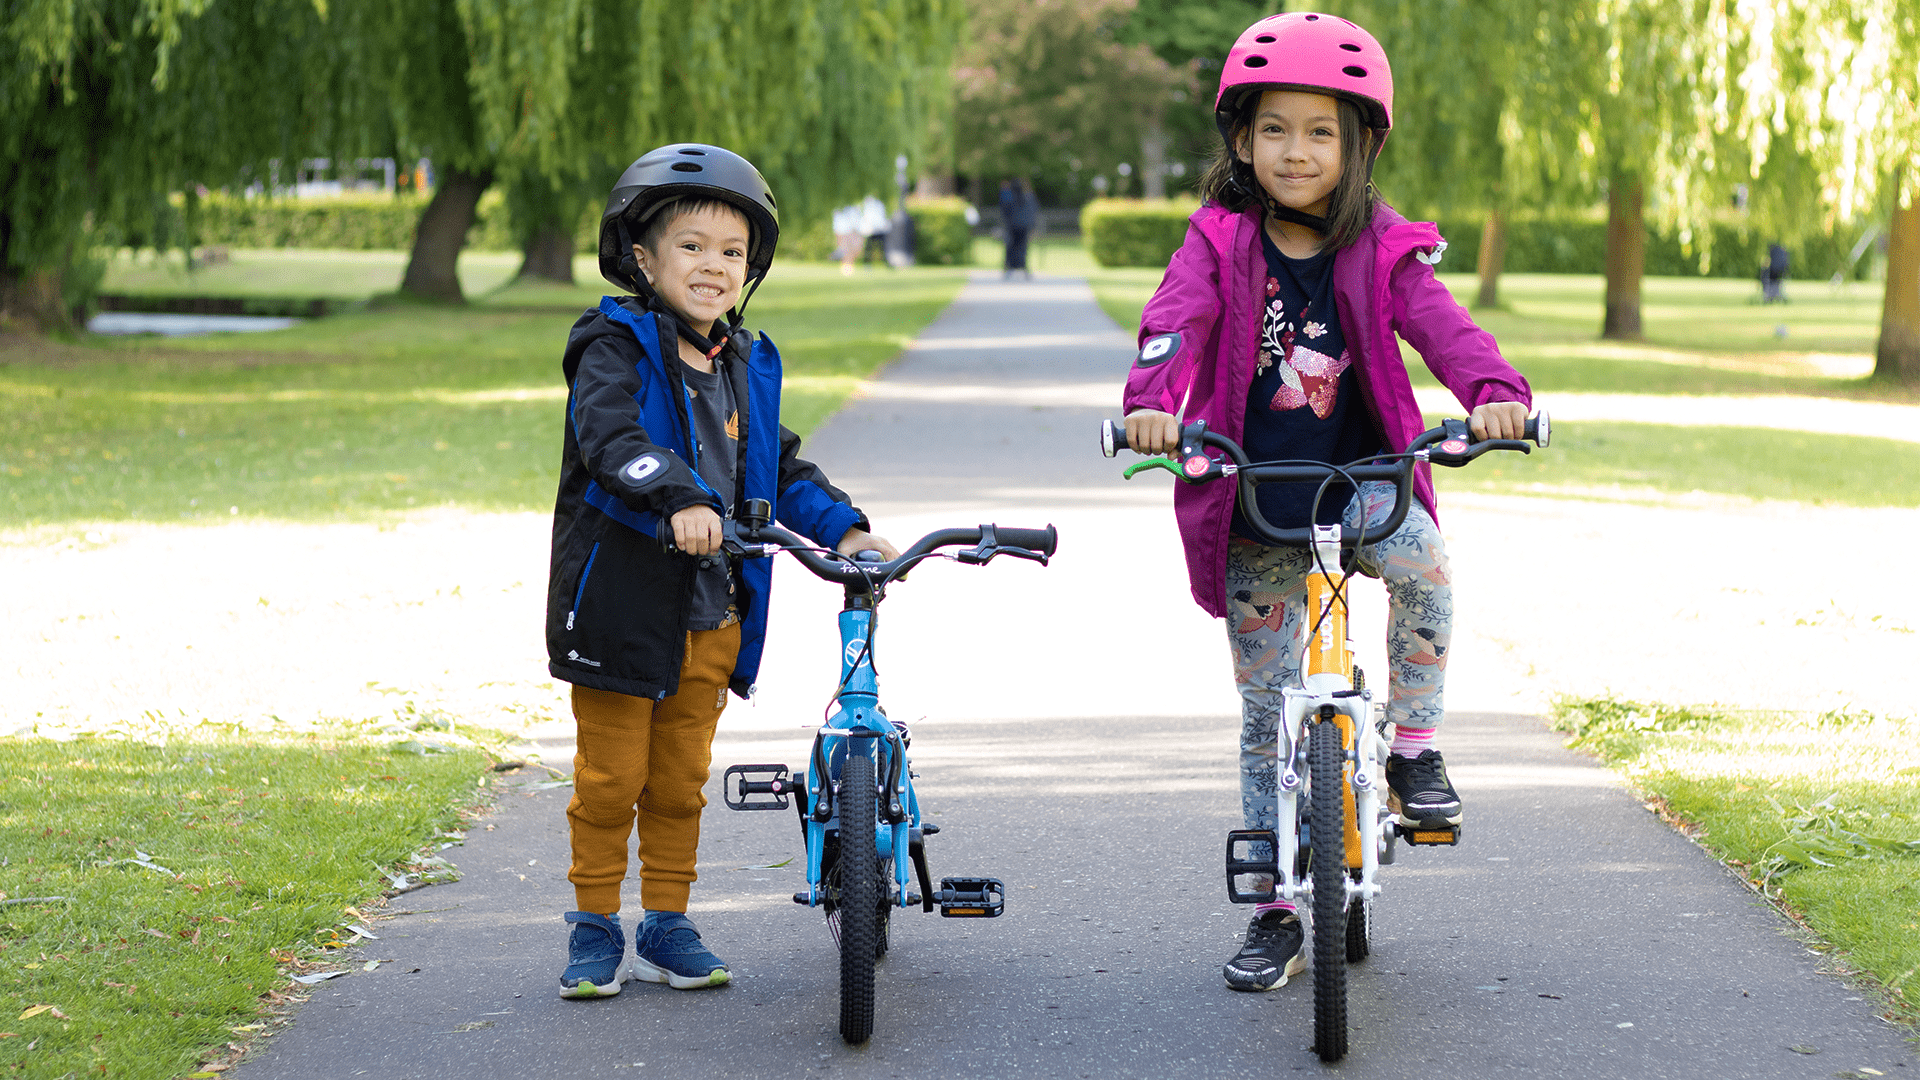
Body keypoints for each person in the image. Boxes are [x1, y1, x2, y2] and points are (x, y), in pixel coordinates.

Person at [1117, 13, 1532, 994]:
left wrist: (1496, 394)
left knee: (1426, 573)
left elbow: (1447, 327)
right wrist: (1149, 409)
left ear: (1359, 144)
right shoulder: (1219, 238)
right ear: (1240, 141)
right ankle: (1272, 907)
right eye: (1272, 129)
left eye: (1319, 131)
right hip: (1254, 493)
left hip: (1367, 484)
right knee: (1266, 717)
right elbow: (1172, 321)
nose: (1294, 151)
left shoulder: (1383, 245)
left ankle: (1416, 750)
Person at [547, 143, 899, 998]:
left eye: (732, 253)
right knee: (609, 781)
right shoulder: (611, 345)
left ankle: (667, 921)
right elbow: (611, 442)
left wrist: (845, 531)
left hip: (714, 612)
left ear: (752, 268)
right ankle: (595, 925)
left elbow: (777, 473)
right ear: (642, 256)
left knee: (677, 783)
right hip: (624, 609)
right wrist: (675, 498)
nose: (713, 266)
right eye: (692, 246)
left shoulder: (743, 363)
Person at [999, 178, 1038, 279]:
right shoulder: (1028, 197)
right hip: (1023, 226)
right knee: (1022, 248)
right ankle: (1022, 268)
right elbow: (1033, 211)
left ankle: (1010, 268)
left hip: (1012, 226)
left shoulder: (1010, 197)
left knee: (1011, 247)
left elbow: (1004, 209)